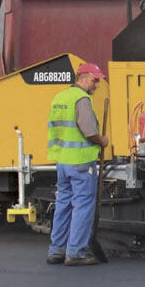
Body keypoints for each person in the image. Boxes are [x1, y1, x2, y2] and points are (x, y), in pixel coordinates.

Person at [46, 62, 110, 266]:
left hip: (62, 161)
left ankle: (56, 250)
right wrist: (102, 141)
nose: (97, 85)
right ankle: (75, 252)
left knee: (63, 204)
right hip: (81, 162)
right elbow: (89, 131)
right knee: (83, 205)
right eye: (94, 80)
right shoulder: (81, 99)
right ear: (82, 78)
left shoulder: (60, 97)